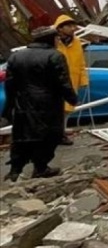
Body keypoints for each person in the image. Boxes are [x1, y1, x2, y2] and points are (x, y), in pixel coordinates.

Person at [2, 26, 79, 182]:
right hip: (48, 104)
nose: (58, 41)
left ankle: (15, 170)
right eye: (56, 38)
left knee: (22, 136)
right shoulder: (55, 56)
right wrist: (72, 99)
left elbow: (10, 85)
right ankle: (41, 167)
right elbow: (63, 82)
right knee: (50, 136)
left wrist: (9, 107)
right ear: (50, 39)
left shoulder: (16, 56)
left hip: (23, 103)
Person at [54, 14, 88, 146]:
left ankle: (61, 134)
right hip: (56, 82)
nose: (73, 28)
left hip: (72, 80)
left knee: (68, 110)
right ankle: (57, 135)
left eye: (73, 26)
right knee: (56, 110)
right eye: (69, 26)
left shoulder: (77, 42)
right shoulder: (54, 42)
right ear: (60, 28)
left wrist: (83, 80)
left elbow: (81, 63)